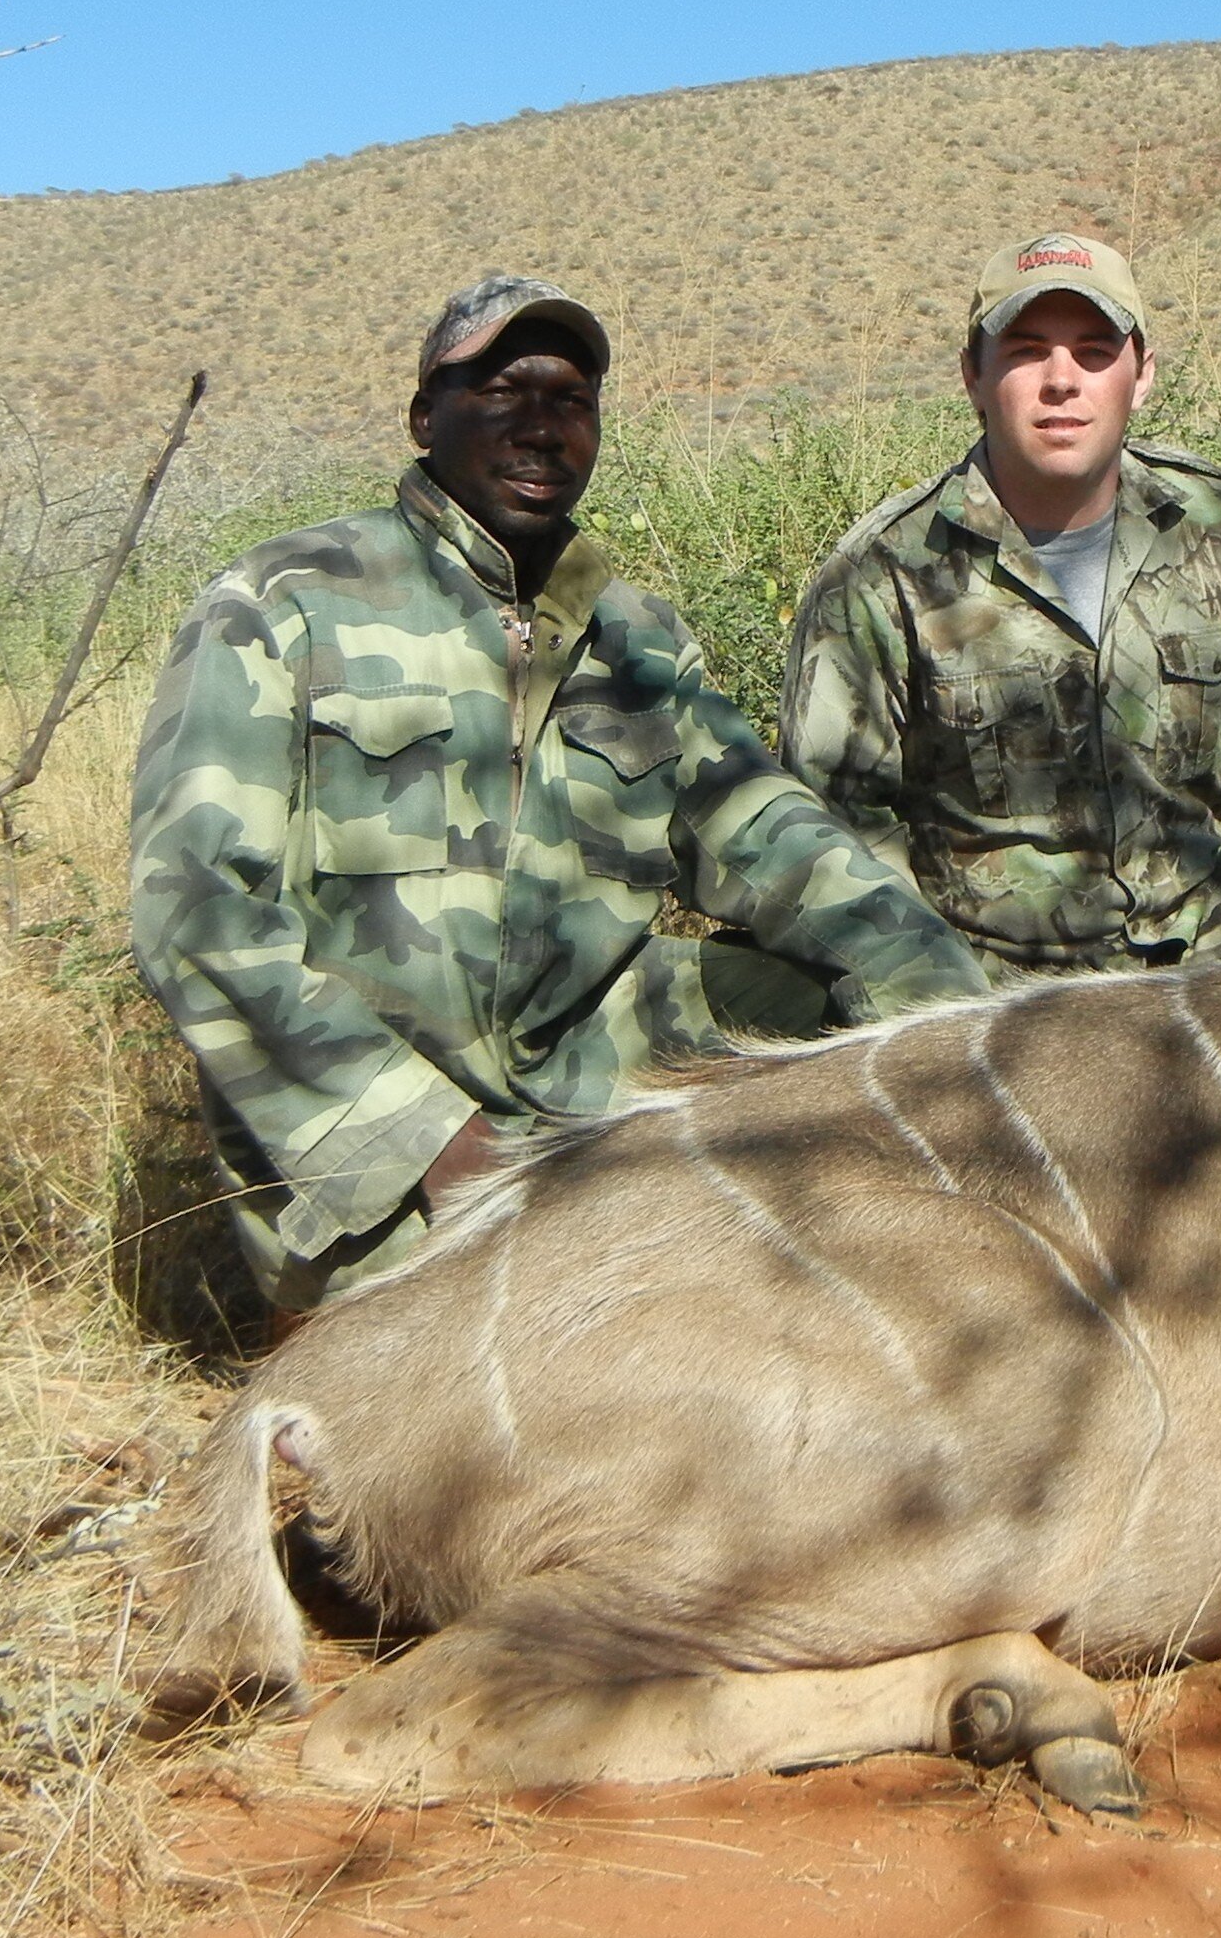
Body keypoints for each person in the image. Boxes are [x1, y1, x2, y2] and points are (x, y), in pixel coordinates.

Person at [131, 272, 990, 1313]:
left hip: (591, 1071)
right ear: (424, 415)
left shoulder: (637, 634)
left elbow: (768, 834)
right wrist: (427, 1139)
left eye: (569, 402)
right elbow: (193, 910)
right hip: (381, 1131)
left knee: (835, 1022)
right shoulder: (284, 602)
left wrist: (964, 1029)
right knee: (491, 1388)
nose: (540, 428)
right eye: (500, 392)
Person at [781, 230, 1221, 976]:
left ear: (1141, 375)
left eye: (1094, 351)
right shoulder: (881, 574)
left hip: (1217, 944)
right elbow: (828, 835)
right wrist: (935, 988)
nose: (1062, 380)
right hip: (993, 984)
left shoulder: (1211, 520)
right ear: (973, 377)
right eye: (1026, 351)